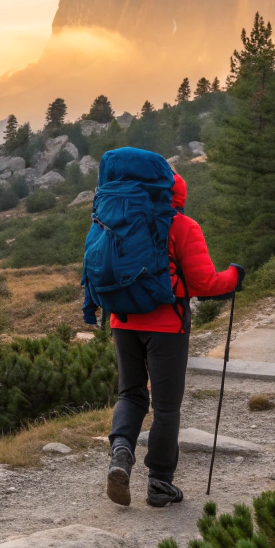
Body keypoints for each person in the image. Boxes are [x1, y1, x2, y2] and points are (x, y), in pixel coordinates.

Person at [104, 173, 241, 508]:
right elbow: (205, 282)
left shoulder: (119, 220)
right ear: (180, 195)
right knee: (166, 407)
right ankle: (159, 483)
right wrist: (235, 276)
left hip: (123, 321)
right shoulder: (183, 226)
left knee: (131, 394)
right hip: (166, 327)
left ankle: (121, 452)